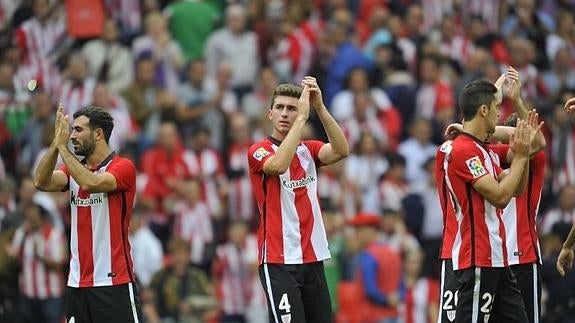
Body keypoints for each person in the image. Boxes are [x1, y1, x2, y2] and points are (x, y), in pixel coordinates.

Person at [247, 76, 350, 322]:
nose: (285, 113)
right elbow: (279, 165)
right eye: (280, 108)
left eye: (292, 108)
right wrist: (302, 118)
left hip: (312, 258)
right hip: (278, 260)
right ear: (270, 113)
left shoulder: (309, 150)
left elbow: (341, 150)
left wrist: (320, 108)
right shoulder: (258, 150)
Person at [442, 76, 542, 323]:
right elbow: (500, 196)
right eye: (496, 108)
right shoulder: (463, 151)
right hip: (477, 259)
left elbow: (516, 189)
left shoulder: (483, 152)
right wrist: (519, 156)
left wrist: (523, 154)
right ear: (484, 110)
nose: (498, 114)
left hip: (499, 259)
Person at [33, 105, 141, 322]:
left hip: (113, 282)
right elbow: (40, 181)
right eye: (71, 130)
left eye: (78, 130)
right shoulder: (71, 171)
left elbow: (91, 182)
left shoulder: (123, 167)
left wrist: (64, 149)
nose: (72, 135)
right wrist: (56, 144)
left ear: (98, 134)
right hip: (77, 283)